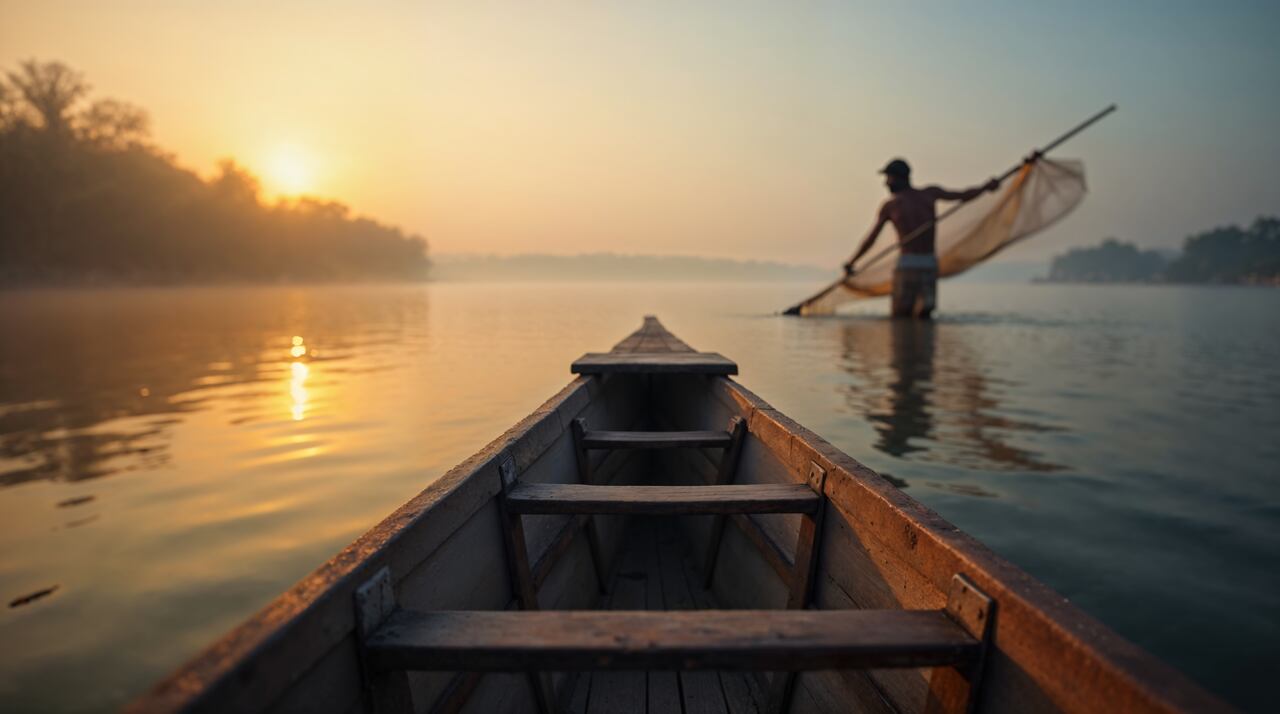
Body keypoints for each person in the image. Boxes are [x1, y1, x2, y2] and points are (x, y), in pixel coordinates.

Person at [844, 158, 1000, 319]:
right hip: (918, 264)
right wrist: (853, 261)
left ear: (899, 178)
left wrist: (986, 188)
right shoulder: (896, 204)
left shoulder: (923, 195)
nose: (886, 183)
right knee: (910, 315)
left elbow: (962, 196)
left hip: (920, 264)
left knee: (915, 314)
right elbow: (871, 238)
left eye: (888, 178)